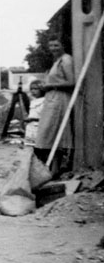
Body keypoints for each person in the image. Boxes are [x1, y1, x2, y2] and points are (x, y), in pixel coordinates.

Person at [33, 37, 75, 172]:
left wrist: (50, 85)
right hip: (52, 97)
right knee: (48, 135)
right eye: (51, 45)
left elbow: (71, 82)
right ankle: (52, 169)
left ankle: (55, 168)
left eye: (56, 45)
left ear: (63, 45)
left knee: (52, 132)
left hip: (60, 99)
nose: (53, 48)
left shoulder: (66, 60)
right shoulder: (56, 61)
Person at [23, 79, 45, 148]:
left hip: (39, 126)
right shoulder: (33, 101)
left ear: (42, 89)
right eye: (31, 89)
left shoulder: (44, 101)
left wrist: (32, 118)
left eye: (35, 89)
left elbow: (45, 116)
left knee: (39, 146)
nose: (33, 91)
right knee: (31, 146)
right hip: (31, 127)